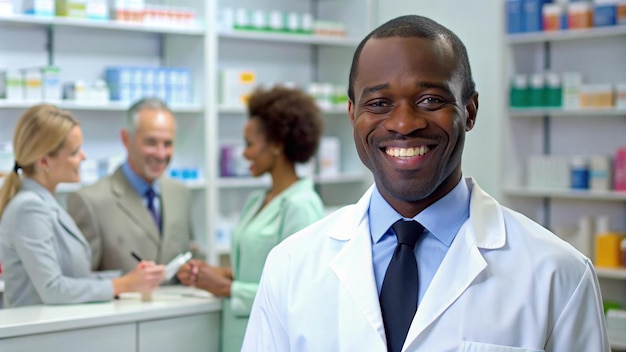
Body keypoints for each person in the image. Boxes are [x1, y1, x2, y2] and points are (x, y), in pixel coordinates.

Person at [241, 15, 610, 351]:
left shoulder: (558, 273)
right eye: (380, 102)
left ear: (469, 111)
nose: (404, 124)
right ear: (353, 114)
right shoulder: (291, 265)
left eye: (430, 99)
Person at [177, 85, 325, 352]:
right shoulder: (257, 200)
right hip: (237, 335)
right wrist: (217, 274)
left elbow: (299, 293)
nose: (243, 153)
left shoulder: (301, 205)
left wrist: (226, 288)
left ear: (278, 144)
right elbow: (262, 269)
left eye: (250, 144)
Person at [0, 104, 165, 308]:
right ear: (44, 162)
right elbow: (53, 289)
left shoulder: (46, 202)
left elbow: (75, 279)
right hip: (36, 335)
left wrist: (132, 278)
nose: (83, 157)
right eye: (74, 152)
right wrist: (123, 284)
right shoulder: (29, 208)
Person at [66, 97, 198, 275]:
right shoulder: (91, 202)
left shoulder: (180, 193)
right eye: (151, 143)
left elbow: (191, 255)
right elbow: (81, 281)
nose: (160, 153)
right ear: (126, 139)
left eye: (167, 144)